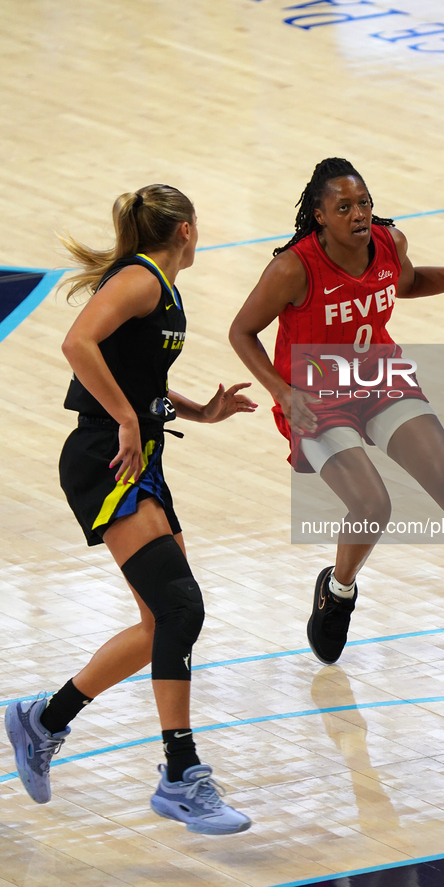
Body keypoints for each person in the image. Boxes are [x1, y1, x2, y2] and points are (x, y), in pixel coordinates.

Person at [229, 157, 444, 673]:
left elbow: (408, 282)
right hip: (316, 394)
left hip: (378, 377)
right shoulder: (293, 268)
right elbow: (242, 331)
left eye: (364, 202)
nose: (358, 214)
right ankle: (339, 589)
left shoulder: (389, 243)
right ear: (320, 216)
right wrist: (282, 392)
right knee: (373, 506)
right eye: (343, 206)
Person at [5, 184, 255, 835]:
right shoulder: (142, 280)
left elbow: (137, 374)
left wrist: (202, 409)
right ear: (187, 231)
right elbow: (77, 342)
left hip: (136, 458)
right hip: (105, 459)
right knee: (180, 607)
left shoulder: (157, 286)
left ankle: (43, 719)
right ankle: (180, 772)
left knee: (159, 624)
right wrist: (121, 417)